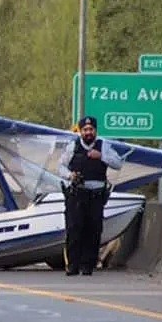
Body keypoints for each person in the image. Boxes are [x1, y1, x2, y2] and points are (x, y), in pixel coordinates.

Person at [58, 116, 123, 276]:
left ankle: (87, 266)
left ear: (95, 131)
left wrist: (101, 156)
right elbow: (60, 166)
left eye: (91, 129)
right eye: (85, 130)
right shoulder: (73, 146)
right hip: (77, 194)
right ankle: (72, 266)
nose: (88, 132)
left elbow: (118, 163)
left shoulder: (104, 146)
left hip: (96, 196)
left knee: (93, 230)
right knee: (74, 229)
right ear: (80, 132)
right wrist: (70, 175)